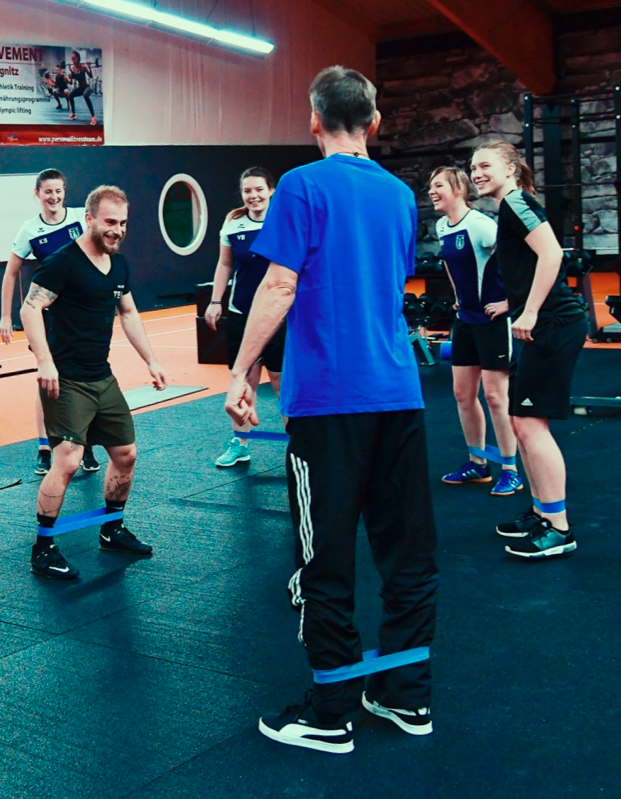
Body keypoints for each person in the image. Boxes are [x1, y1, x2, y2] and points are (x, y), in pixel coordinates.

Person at [226, 66, 436, 753]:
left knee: (325, 555)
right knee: (406, 553)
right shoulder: (403, 194)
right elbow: (390, 280)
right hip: (399, 396)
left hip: (328, 407)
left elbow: (280, 285)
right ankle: (406, 696)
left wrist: (242, 371)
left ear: (313, 121)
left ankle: (330, 711)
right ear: (374, 123)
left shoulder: (301, 186)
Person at [20, 185, 168, 580]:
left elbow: (130, 312)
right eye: (109, 222)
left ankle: (112, 529)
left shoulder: (118, 265)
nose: (116, 230)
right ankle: (43, 546)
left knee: (126, 454)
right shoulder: (63, 262)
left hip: (101, 377)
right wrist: (45, 361)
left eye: (122, 223)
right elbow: (30, 307)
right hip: (66, 379)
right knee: (67, 460)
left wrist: (151, 360)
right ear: (88, 219)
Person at [471, 140, 588, 558]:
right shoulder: (509, 208)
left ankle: (559, 527)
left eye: (485, 165)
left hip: (554, 323)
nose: (477, 173)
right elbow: (529, 264)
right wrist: (513, 304)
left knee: (531, 426)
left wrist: (531, 310)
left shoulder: (517, 202)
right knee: (522, 422)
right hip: (543, 321)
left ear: (509, 168)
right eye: (473, 167)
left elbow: (552, 253)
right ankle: (542, 512)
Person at [0, 169, 101, 475]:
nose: (53, 197)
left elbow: (99, 253)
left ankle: (85, 445)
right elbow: (10, 273)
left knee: (85, 379)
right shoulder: (29, 230)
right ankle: (45, 448)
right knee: (48, 379)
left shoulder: (81, 218)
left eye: (58, 191)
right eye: (48, 192)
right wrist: (6, 316)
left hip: (81, 314)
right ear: (37, 194)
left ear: (64, 193)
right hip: (46, 317)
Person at [429, 165, 523, 497]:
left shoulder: (482, 226)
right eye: (430, 185)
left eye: (437, 185)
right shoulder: (442, 225)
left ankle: (510, 470)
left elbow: (524, 260)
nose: (431, 190)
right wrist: (458, 298)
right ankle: (479, 464)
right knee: (463, 395)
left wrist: (511, 303)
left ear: (457, 188)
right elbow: (450, 264)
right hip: (466, 320)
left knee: (496, 397)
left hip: (493, 320)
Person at [204, 167, 284, 468]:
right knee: (245, 380)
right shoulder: (233, 224)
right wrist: (215, 301)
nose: (253, 196)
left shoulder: (282, 221)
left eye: (259, 189)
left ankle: (299, 442)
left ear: (271, 190)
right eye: (247, 191)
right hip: (242, 313)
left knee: (279, 380)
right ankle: (241, 443)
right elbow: (225, 265)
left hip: (278, 314)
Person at [65, 51, 98, 125]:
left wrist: (89, 67)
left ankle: (93, 117)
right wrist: (70, 72)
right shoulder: (73, 68)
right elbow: (73, 77)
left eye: (74, 58)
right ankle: (73, 113)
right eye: (72, 59)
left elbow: (91, 76)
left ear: (78, 58)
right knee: (70, 95)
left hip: (87, 87)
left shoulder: (83, 67)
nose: (73, 60)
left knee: (85, 95)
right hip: (80, 88)